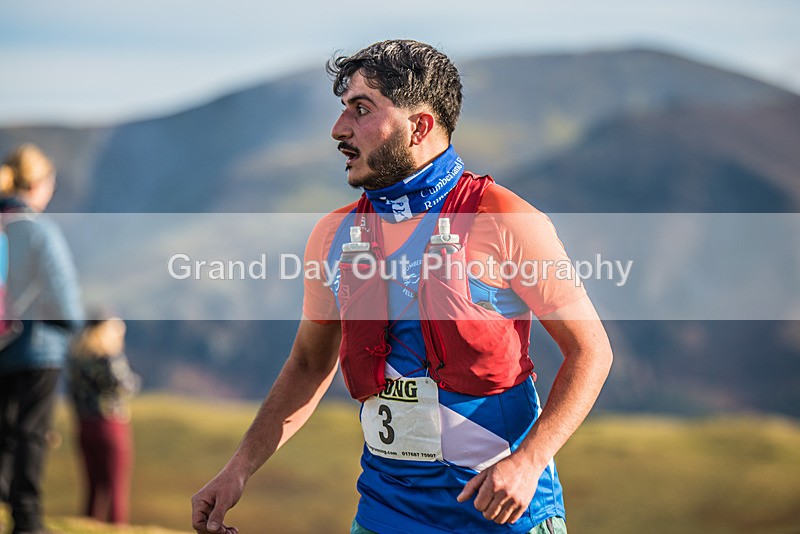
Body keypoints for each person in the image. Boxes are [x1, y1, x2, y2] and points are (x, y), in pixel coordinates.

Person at [192, 40, 613, 534]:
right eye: (343, 109)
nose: (338, 129)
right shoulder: (333, 235)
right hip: (385, 513)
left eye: (361, 109)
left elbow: (591, 352)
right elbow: (308, 364)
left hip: (504, 515)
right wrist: (238, 468)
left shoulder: (504, 218)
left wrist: (529, 462)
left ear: (419, 127)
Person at [0, 144, 83, 534]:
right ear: (38, 184)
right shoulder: (39, 231)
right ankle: (27, 519)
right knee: (31, 433)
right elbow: (63, 297)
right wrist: (74, 327)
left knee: (3, 432)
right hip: (37, 348)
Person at [67, 315, 139, 525]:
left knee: (92, 485)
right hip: (110, 425)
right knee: (116, 486)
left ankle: (87, 526)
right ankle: (118, 527)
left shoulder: (77, 358)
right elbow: (125, 384)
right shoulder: (109, 357)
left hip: (84, 425)